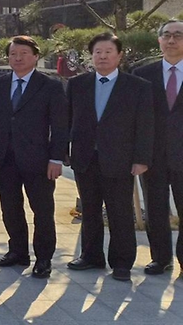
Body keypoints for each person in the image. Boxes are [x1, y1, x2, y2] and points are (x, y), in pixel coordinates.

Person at [67, 32, 153, 281]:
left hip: (120, 159)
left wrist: (141, 158)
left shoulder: (137, 87)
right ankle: (91, 256)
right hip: (85, 158)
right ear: (91, 56)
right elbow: (69, 120)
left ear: (119, 56)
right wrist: (65, 153)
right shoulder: (77, 84)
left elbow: (145, 126)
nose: (102, 57)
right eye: (97, 52)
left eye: (108, 52)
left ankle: (122, 262)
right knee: (90, 210)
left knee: (120, 212)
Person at [0, 36, 67, 279]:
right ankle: (17, 252)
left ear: (35, 56)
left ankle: (43, 259)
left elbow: (60, 126)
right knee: (10, 208)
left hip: (39, 161)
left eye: (23, 53)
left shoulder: (50, 85)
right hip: (5, 158)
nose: (17, 58)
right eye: (12, 54)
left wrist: (56, 159)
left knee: (42, 210)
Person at [133, 19, 183, 276]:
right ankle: (160, 258)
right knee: (156, 209)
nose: (172, 40)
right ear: (159, 40)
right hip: (152, 157)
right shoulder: (142, 75)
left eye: (178, 35)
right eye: (167, 35)